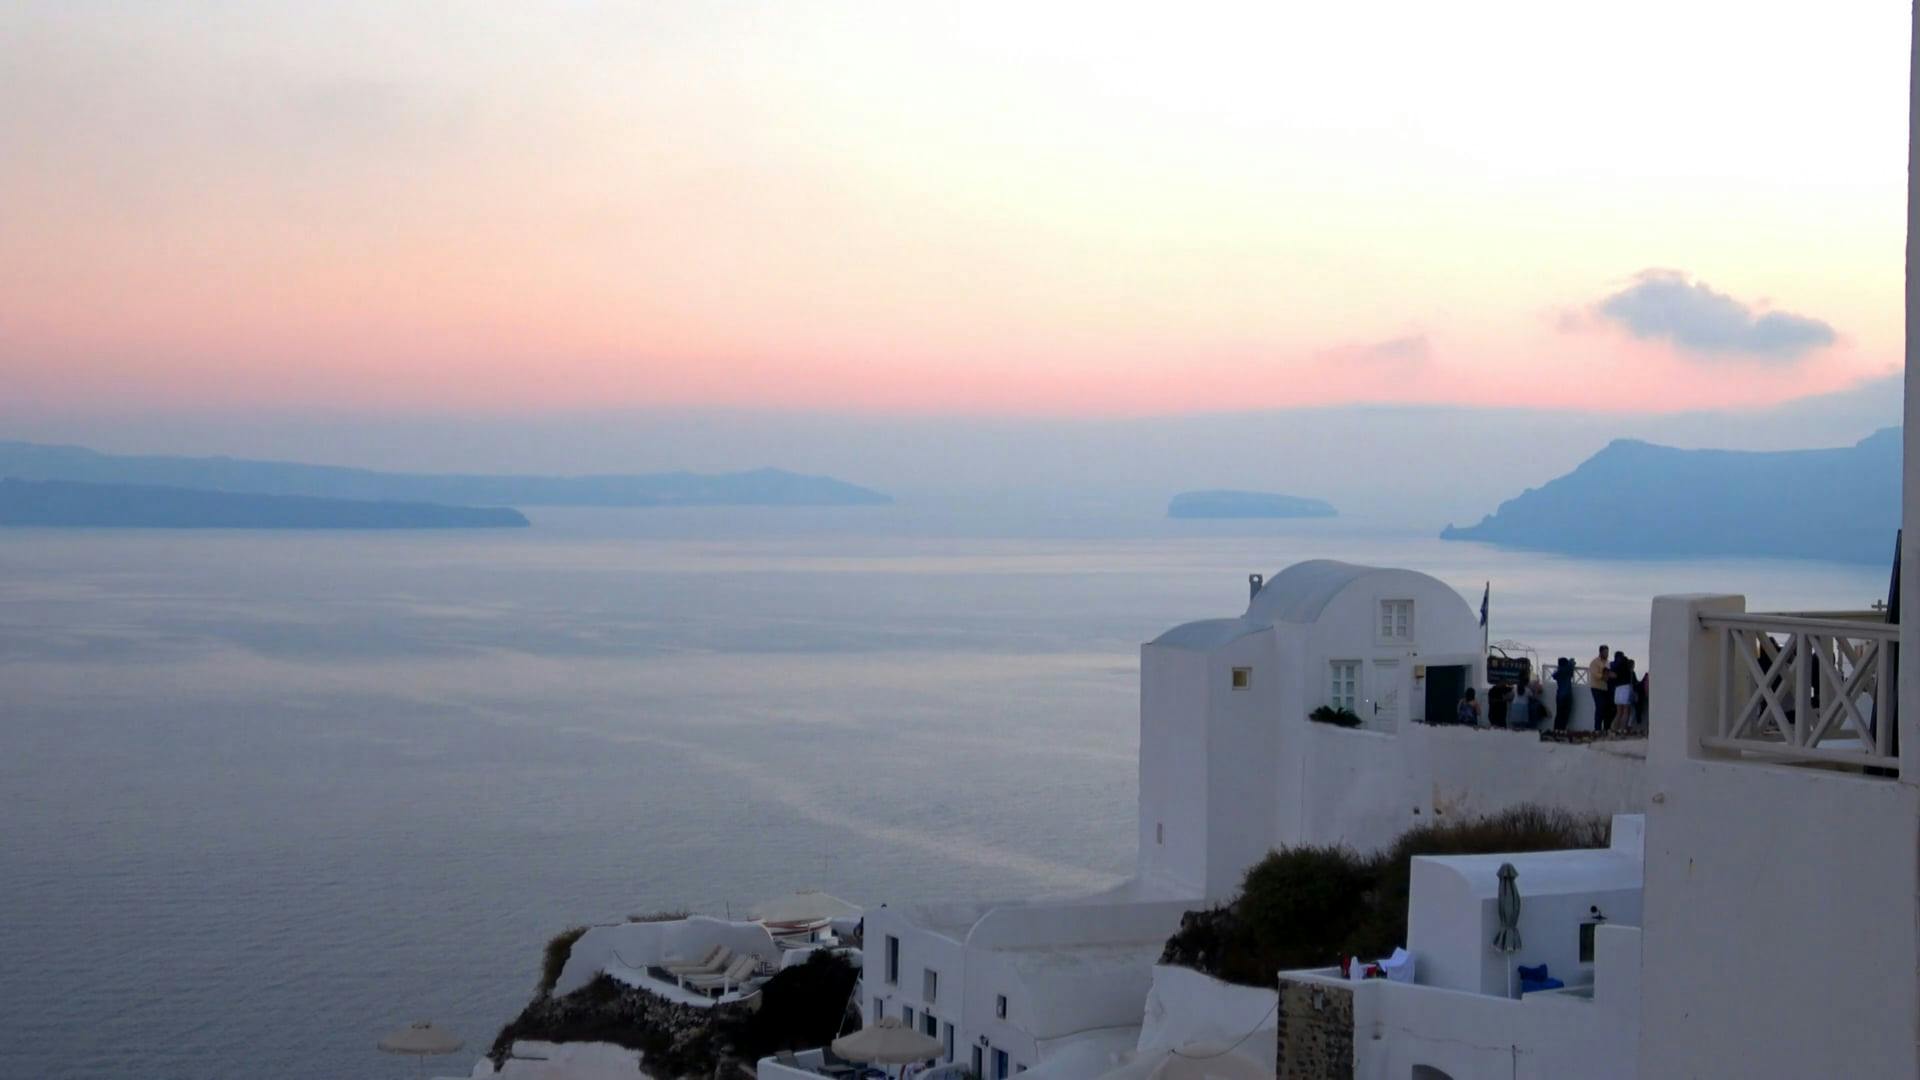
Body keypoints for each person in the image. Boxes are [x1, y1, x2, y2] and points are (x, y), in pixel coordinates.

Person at [1588, 645, 1612, 733]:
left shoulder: (1607, 663)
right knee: (1600, 707)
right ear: (1601, 652)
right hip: (1596, 688)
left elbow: (1608, 673)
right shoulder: (1595, 662)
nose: (1607, 654)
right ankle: (1597, 729)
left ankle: (1605, 728)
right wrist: (1603, 677)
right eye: (1605, 652)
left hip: (1605, 688)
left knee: (1606, 709)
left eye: (1607, 652)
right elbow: (1595, 674)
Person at [1613, 653, 1636, 731]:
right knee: (1626, 711)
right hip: (1626, 688)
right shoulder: (1628, 670)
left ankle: (1613, 729)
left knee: (1619, 712)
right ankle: (1622, 729)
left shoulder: (1617, 667)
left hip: (1617, 689)